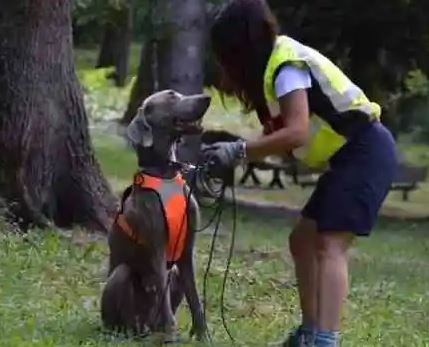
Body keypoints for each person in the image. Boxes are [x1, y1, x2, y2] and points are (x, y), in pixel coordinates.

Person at [203, 0, 398, 346]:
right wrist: (233, 156)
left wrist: (239, 151)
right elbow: (282, 138)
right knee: (302, 239)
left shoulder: (286, 67)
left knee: (329, 244)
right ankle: (308, 333)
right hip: (349, 157)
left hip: (366, 151)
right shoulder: (273, 74)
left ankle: (324, 339)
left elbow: (295, 131)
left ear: (239, 47)